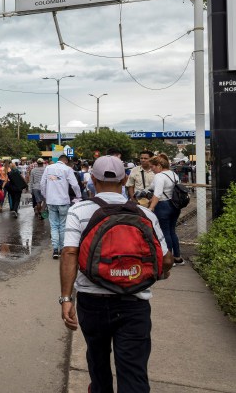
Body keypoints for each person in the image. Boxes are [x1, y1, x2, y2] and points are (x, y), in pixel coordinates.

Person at [59, 155, 173, 393]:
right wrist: (154, 274)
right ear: (123, 179)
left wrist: (66, 299)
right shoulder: (145, 215)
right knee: (133, 371)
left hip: (92, 301)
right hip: (135, 302)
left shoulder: (78, 211)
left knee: (98, 361)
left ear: (92, 179)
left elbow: (69, 252)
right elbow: (165, 259)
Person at [40, 154, 81, 259]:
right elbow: (75, 185)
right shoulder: (67, 169)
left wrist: (45, 195)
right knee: (63, 226)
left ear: (58, 160)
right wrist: (78, 196)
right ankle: (62, 249)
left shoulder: (48, 168)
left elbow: (42, 183)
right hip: (63, 201)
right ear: (66, 161)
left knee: (53, 226)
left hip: (51, 201)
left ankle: (55, 250)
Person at [148, 154, 184, 266]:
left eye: (152, 167)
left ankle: (169, 259)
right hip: (175, 205)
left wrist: (150, 208)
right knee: (172, 231)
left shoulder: (159, 176)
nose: (152, 169)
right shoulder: (174, 174)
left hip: (163, 205)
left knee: (165, 232)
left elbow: (157, 194)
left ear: (158, 165)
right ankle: (177, 257)